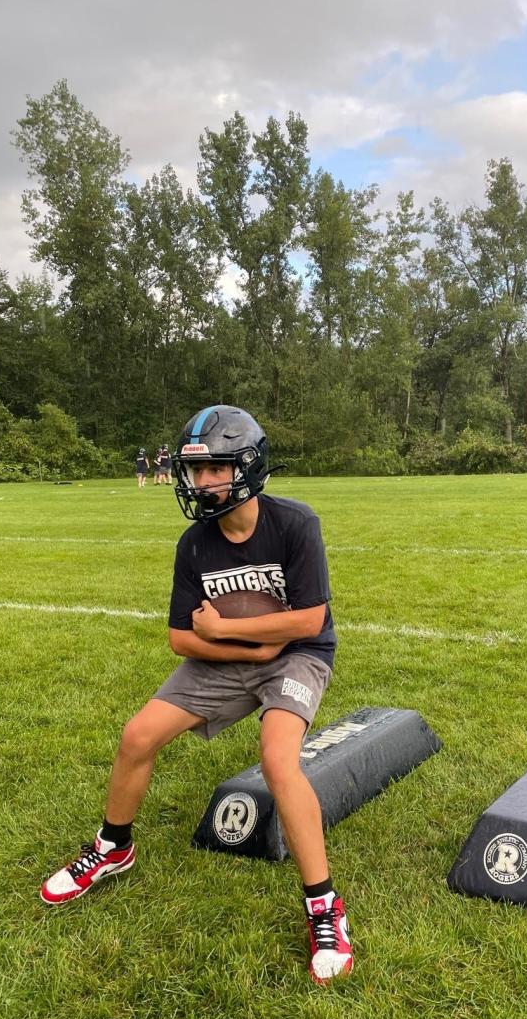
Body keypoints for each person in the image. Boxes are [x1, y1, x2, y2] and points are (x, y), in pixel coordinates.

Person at [41, 405, 352, 985]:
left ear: (249, 467)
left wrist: (236, 635)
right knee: (138, 735)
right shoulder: (195, 543)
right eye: (197, 471)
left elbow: (309, 621)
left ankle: (323, 907)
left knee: (278, 759)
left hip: (297, 658)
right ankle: (114, 846)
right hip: (224, 660)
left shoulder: (295, 523)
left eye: (217, 469)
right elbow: (181, 637)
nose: (204, 482)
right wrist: (243, 649)